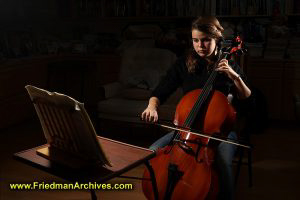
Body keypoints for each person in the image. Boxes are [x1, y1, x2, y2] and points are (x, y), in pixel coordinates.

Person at [141, 16, 253, 200]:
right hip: (186, 130)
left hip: (218, 133)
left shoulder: (228, 65)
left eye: (206, 40)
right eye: (195, 40)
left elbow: (248, 99)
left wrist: (234, 77)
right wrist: (151, 106)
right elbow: (160, 91)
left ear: (216, 39)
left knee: (223, 163)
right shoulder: (184, 63)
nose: (200, 45)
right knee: (153, 150)